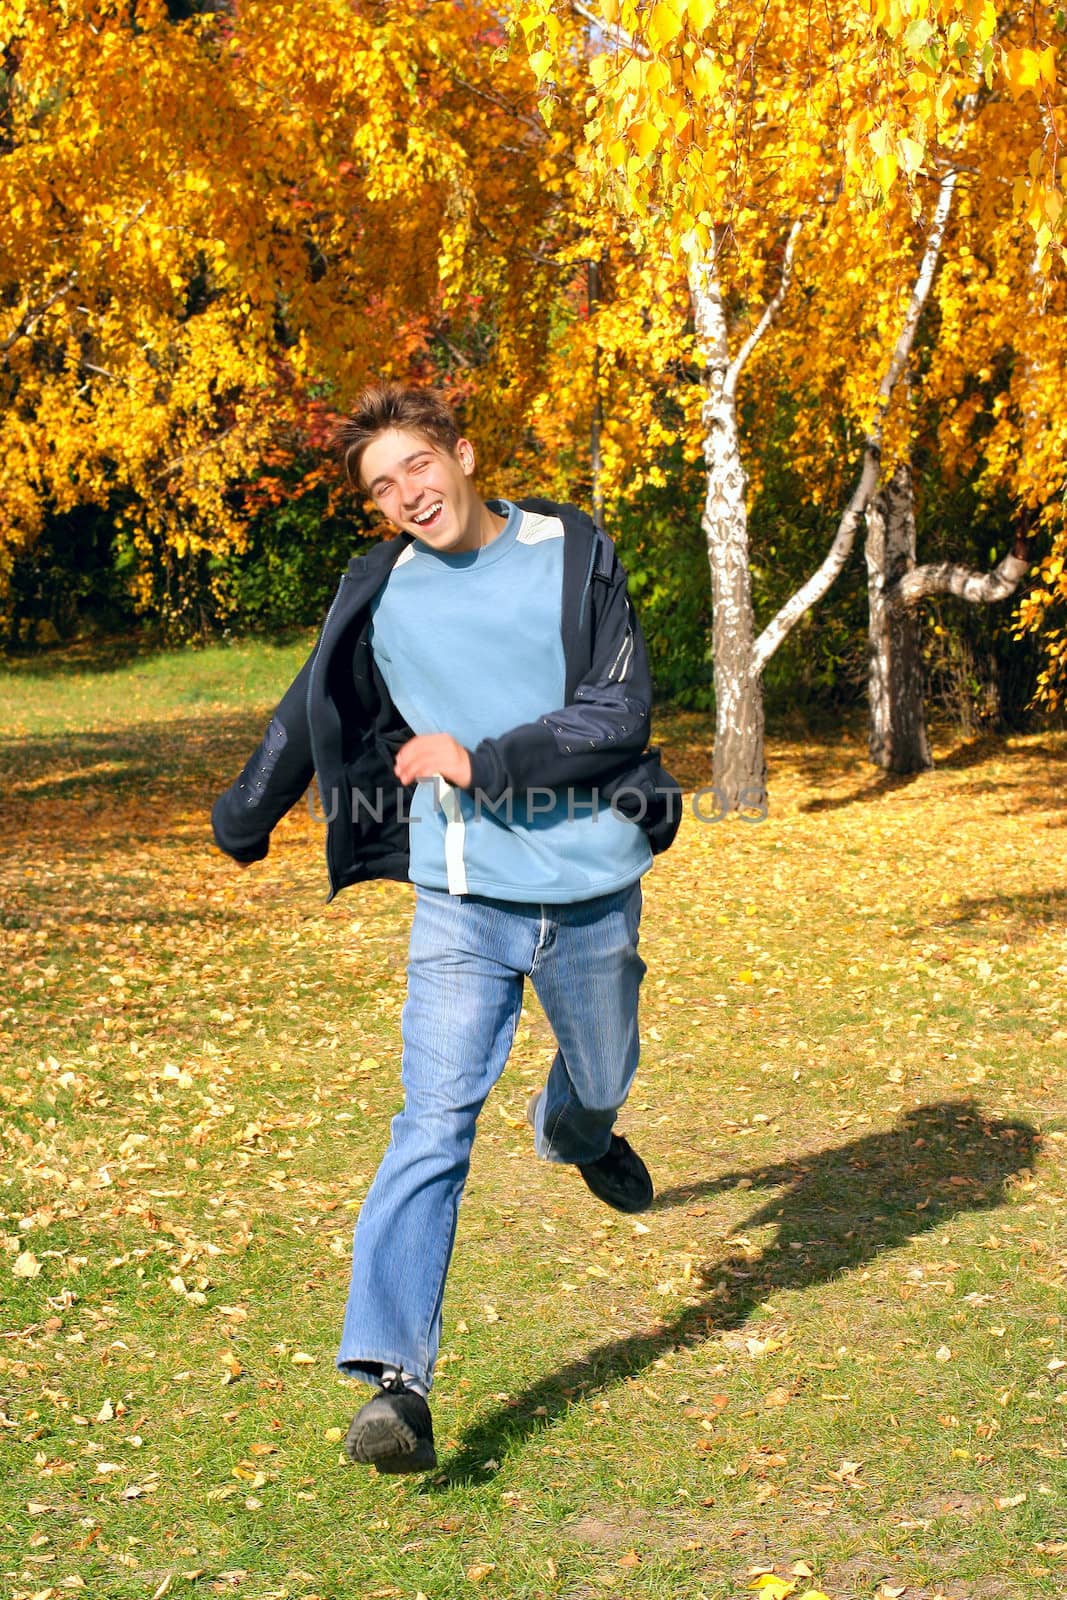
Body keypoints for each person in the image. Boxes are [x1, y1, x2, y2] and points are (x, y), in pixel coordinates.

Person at [211, 384, 681, 1474]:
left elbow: (620, 711)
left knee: (600, 1072)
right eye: (380, 487)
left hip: (589, 886)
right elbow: (308, 704)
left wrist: (482, 755)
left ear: (463, 454)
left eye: (415, 466)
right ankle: (393, 1380)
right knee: (430, 1121)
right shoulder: (385, 590)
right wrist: (247, 813)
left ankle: (577, 1132)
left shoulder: (569, 546)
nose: (404, 494)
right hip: (461, 895)